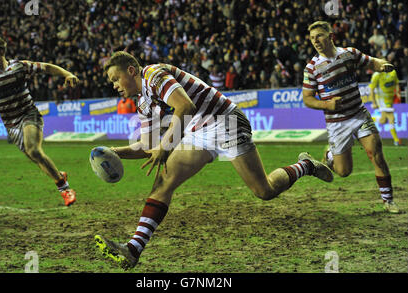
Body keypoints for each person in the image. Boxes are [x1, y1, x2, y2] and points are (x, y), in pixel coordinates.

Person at [94, 51, 333, 269]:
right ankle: (133, 249)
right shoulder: (144, 102)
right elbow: (147, 147)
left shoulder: (154, 76)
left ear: (131, 71)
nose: (114, 86)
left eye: (116, 79)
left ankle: (306, 165)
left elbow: (184, 105)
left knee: (264, 190)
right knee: (162, 183)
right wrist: (115, 151)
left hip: (225, 120)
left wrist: (165, 145)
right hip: (198, 133)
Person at [302, 21, 400, 214]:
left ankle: (388, 201)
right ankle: (330, 156)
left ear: (331, 36)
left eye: (319, 36)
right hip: (337, 123)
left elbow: (372, 62)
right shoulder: (312, 68)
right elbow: (307, 99)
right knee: (344, 172)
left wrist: (383, 65)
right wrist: (327, 104)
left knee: (376, 153)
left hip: (359, 114)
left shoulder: (349, 53)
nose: (316, 41)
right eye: (313, 38)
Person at [0, 36, 78, 206]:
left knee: (33, 149)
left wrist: (67, 73)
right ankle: (59, 176)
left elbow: (46, 67)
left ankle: (65, 189)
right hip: (11, 126)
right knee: (36, 156)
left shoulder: (19, 67)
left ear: (1, 52)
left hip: (28, 114)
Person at [369, 64, 402, 146]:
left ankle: (371, 119)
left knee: (383, 121)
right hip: (381, 99)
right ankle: (396, 140)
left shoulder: (393, 73)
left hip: (390, 99)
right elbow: (372, 89)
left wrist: (398, 92)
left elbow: (397, 83)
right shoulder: (377, 75)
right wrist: (373, 102)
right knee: (391, 117)